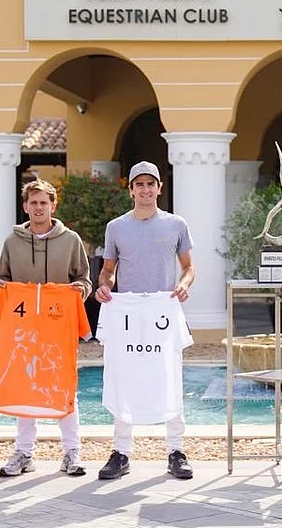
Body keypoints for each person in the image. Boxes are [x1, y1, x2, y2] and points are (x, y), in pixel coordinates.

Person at [93, 161, 196, 481]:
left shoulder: (176, 224)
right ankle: (121, 452)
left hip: (163, 313)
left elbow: (189, 267)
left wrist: (184, 284)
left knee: (170, 377)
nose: (145, 189)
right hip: (128, 315)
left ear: (159, 188)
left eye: (151, 184)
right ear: (131, 190)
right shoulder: (116, 227)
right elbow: (108, 271)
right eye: (139, 184)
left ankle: (176, 451)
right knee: (124, 378)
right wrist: (104, 287)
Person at [0, 179, 93, 478]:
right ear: (25, 206)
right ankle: (24, 452)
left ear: (53, 205)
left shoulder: (71, 240)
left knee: (64, 385)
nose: (38, 208)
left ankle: (72, 451)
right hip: (23, 328)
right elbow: (2, 277)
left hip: (57, 326)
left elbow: (84, 279)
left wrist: (80, 290)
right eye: (33, 203)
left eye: (43, 203)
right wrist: (3, 287)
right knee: (25, 385)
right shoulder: (12, 242)